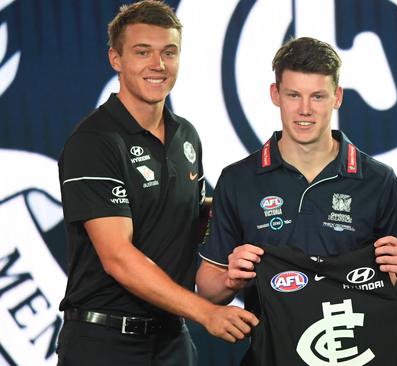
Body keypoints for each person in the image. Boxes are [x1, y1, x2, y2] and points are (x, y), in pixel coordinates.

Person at [195, 37, 397, 362]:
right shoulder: (237, 180)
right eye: (293, 95)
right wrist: (230, 279)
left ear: (337, 97)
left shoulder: (378, 179)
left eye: (318, 96)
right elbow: (207, 290)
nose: (305, 109)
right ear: (275, 95)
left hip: (357, 354)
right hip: (272, 355)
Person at [56, 1, 258, 365]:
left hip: (171, 341)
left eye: (169, 52)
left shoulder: (186, 136)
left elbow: (190, 216)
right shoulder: (95, 141)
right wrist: (205, 312)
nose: (158, 65)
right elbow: (118, 257)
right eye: (142, 52)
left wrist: (254, 210)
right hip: (103, 343)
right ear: (115, 59)